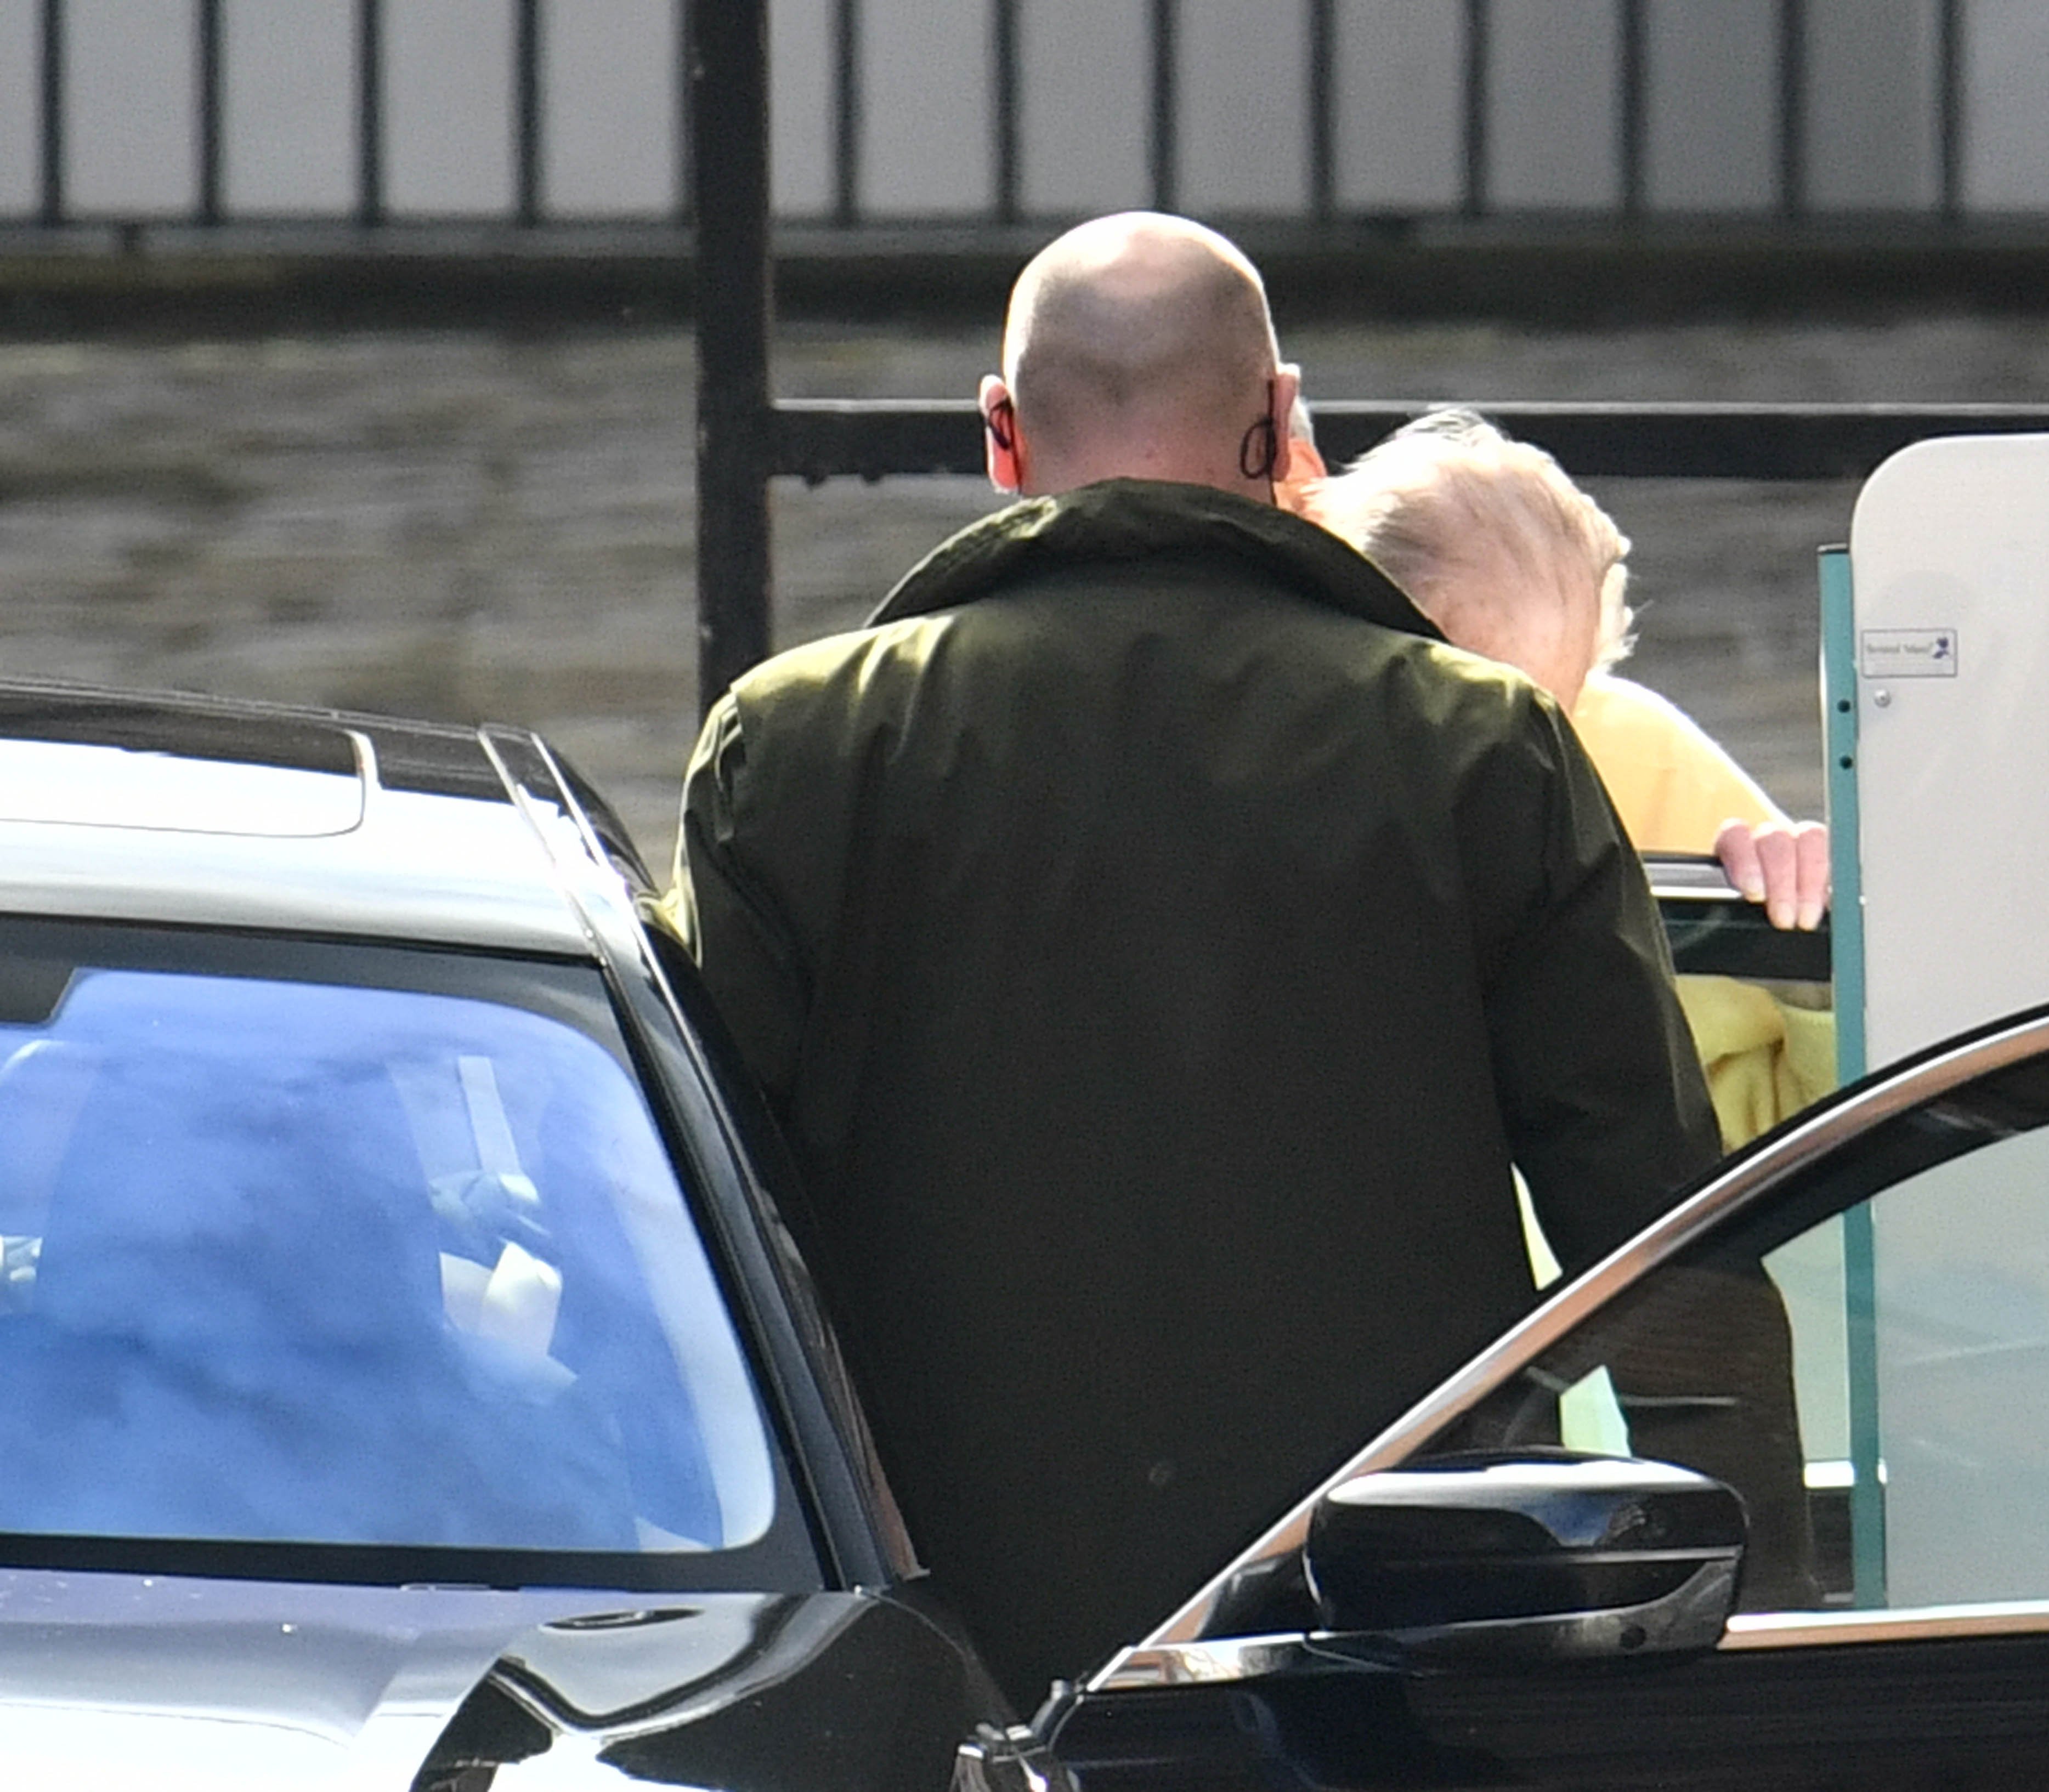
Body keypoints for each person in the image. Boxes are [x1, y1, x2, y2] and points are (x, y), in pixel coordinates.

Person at [655, 214, 1718, 1708]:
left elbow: (693, 1239)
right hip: (1386, 1657)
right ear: (1280, 422)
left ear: (1002, 434)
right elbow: (1665, 1240)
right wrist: (1754, 1611)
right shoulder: (1478, 751)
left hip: (945, 1668)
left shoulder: (798, 747)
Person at [1303, 411, 1835, 1150]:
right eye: (1468, 718)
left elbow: (1800, 1155)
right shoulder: (1254, 776)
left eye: (1552, 720)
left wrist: (1816, 963)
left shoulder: (1638, 754)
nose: (1517, 770)